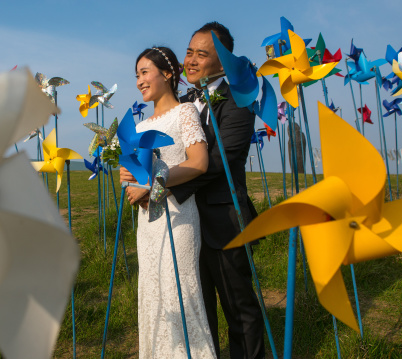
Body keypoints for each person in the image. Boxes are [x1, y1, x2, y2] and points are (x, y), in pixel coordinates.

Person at [166, 22, 266, 359]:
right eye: (189, 52)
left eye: (202, 54)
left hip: (223, 219)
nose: (191, 60)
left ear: (223, 63)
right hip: (187, 221)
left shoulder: (238, 102)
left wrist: (164, 185)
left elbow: (221, 160)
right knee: (198, 305)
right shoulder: (181, 103)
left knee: (238, 307)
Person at [125, 46, 217, 359]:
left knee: (180, 296)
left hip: (178, 221)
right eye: (136, 75)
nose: (139, 80)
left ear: (167, 74)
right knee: (154, 298)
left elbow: (199, 163)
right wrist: (132, 180)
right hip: (148, 226)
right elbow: (138, 178)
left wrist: (152, 184)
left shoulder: (185, 112)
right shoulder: (137, 128)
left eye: (145, 72)